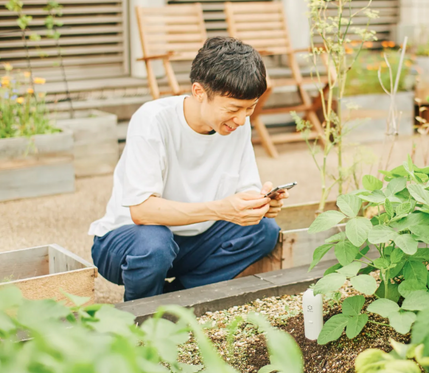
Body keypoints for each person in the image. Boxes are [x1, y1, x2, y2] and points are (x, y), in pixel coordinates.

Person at [88, 37, 288, 301]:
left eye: (250, 109)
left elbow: (244, 191)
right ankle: (140, 316)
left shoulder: (237, 125)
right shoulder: (152, 120)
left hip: (192, 242)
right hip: (128, 242)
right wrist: (220, 208)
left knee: (264, 231)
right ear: (198, 92)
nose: (241, 119)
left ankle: (178, 299)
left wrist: (260, 204)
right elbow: (141, 211)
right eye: (234, 109)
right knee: (154, 242)